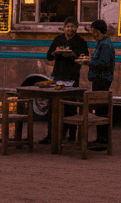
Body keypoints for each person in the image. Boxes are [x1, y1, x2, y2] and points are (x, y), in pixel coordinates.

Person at [41, 16, 88, 144]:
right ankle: (51, 135)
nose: (70, 29)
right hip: (57, 77)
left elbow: (84, 59)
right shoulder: (58, 39)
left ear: (77, 28)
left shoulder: (81, 42)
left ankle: (71, 135)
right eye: (68, 26)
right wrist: (55, 53)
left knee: (71, 107)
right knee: (53, 107)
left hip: (72, 79)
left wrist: (73, 55)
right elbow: (49, 56)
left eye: (72, 26)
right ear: (64, 27)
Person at [77, 18, 115, 151]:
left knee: (101, 111)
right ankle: (101, 139)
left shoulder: (105, 45)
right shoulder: (102, 43)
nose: (91, 33)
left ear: (97, 31)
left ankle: (102, 141)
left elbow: (103, 63)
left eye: (92, 30)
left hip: (102, 81)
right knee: (100, 110)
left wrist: (87, 62)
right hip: (99, 80)